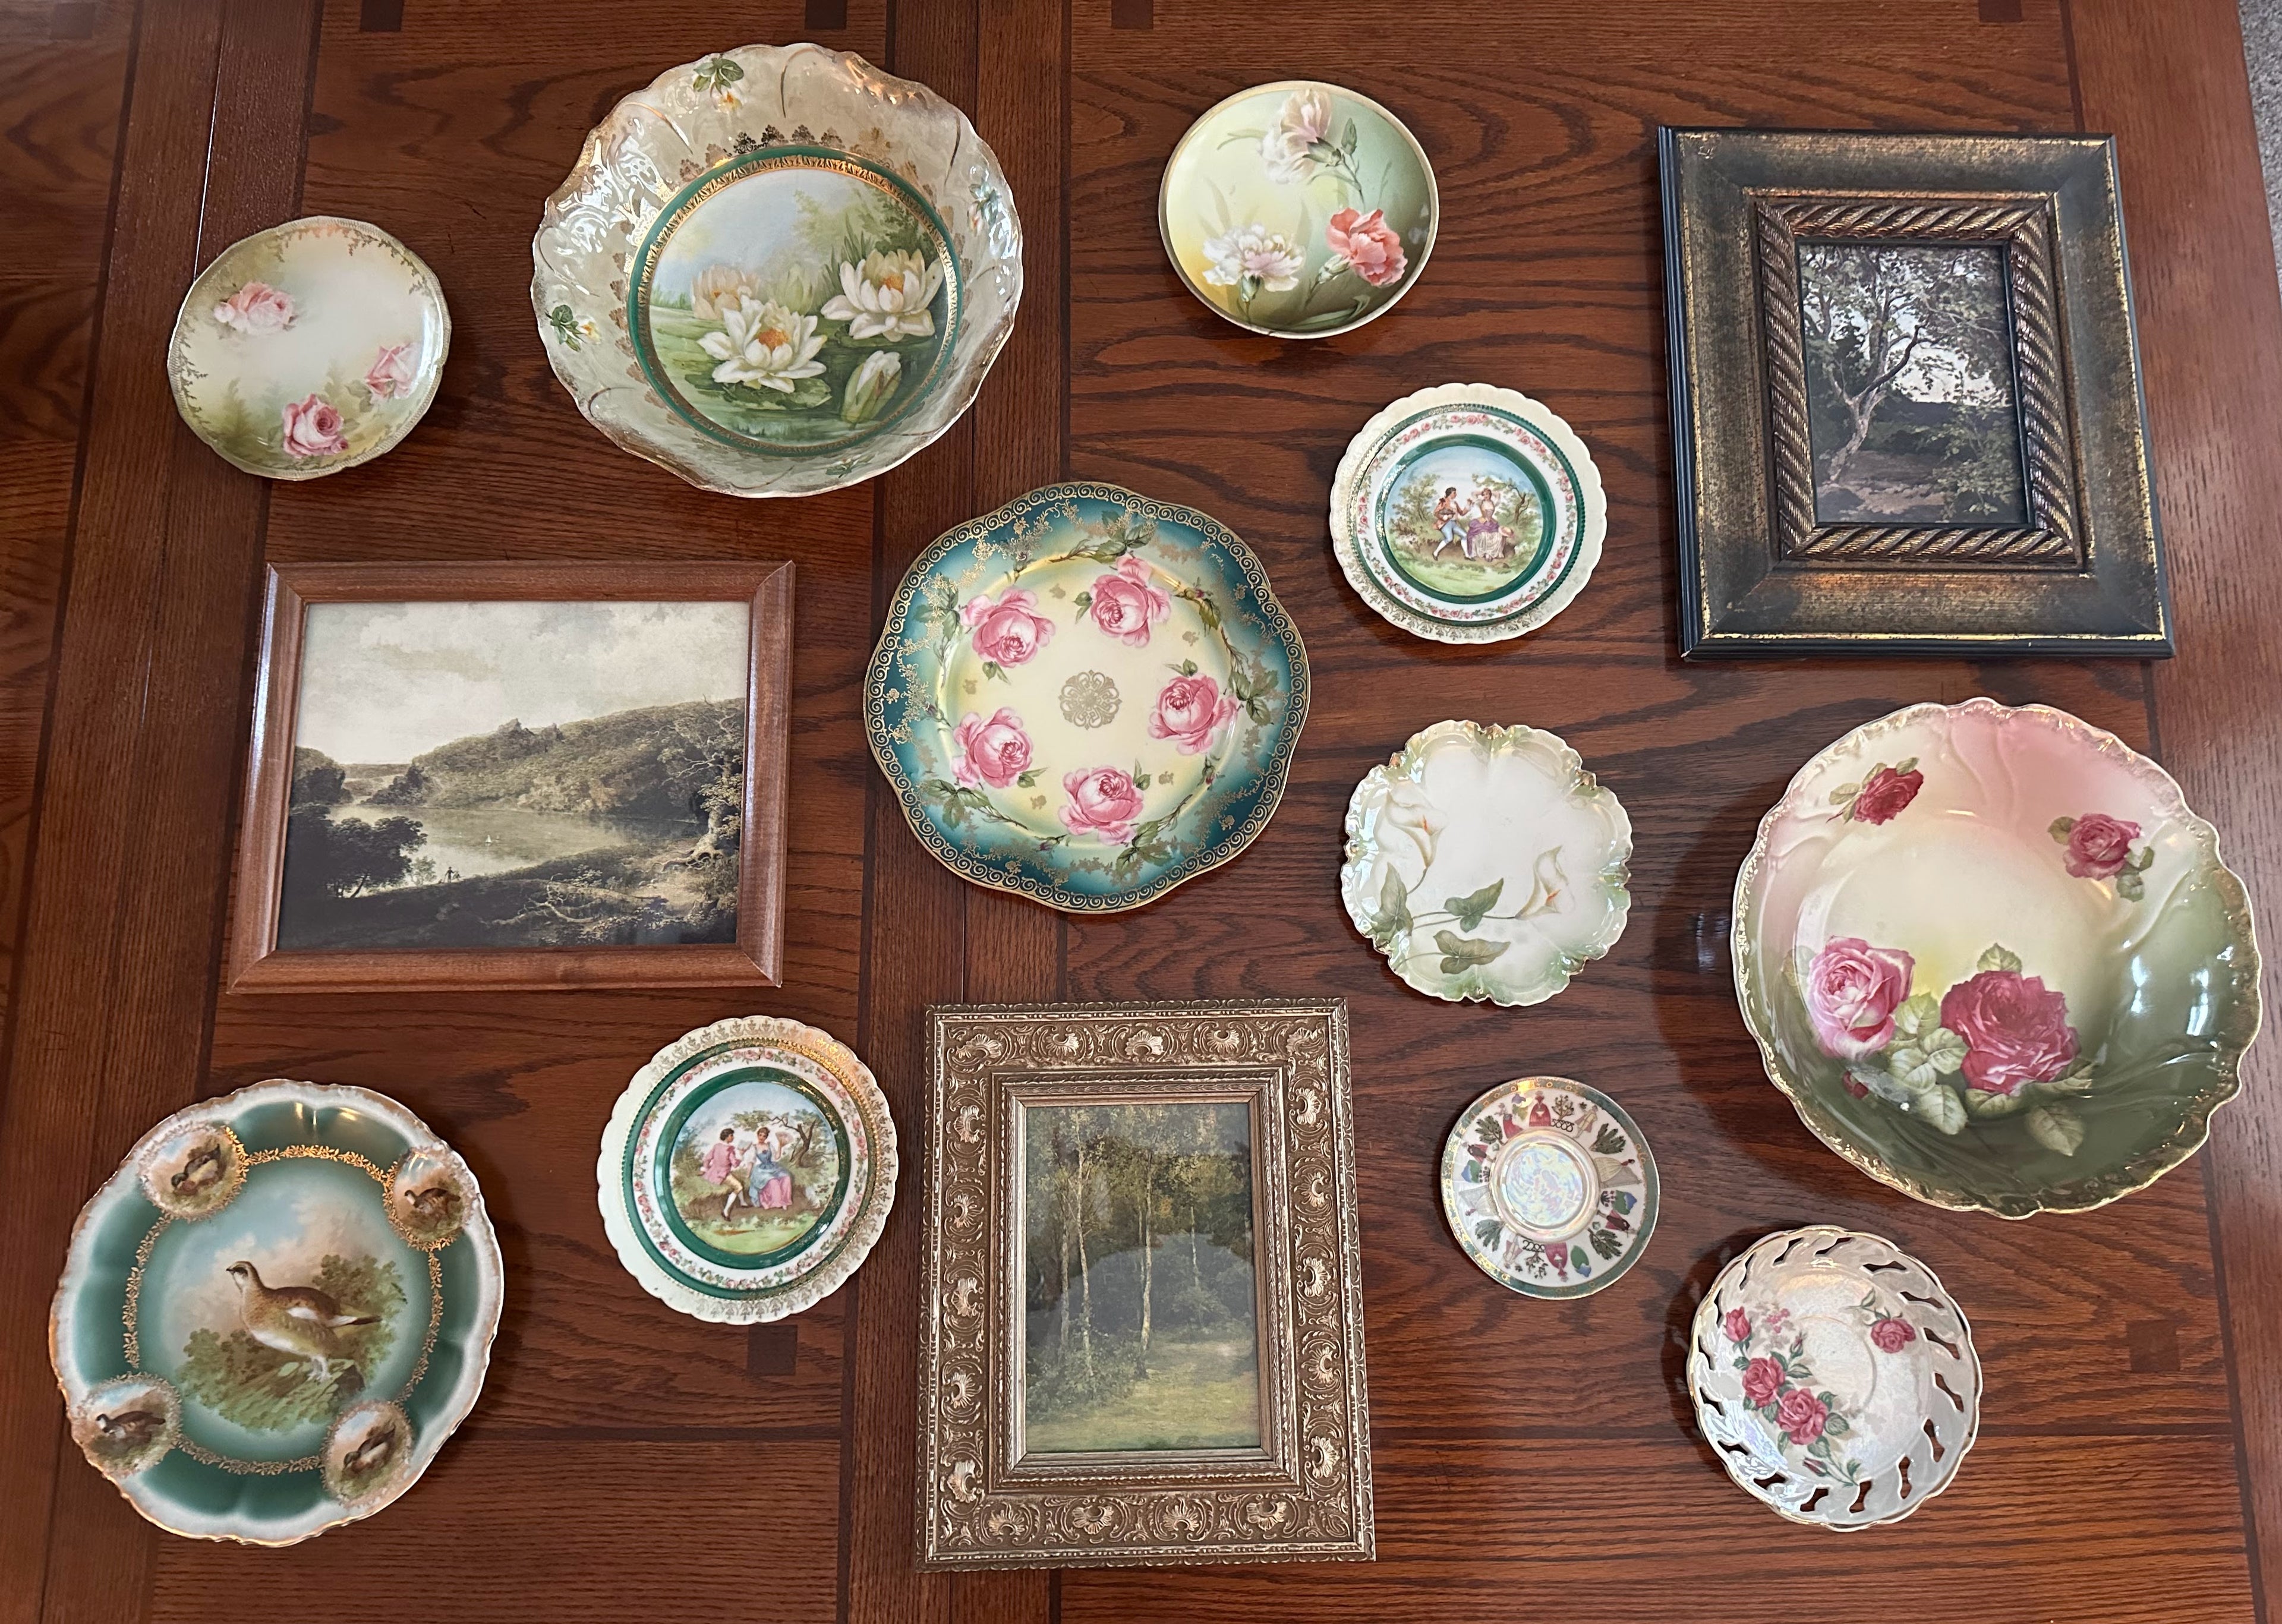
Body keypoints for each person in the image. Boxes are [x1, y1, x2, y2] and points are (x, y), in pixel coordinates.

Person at [699, 1126, 746, 1221]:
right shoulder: (729, 1149)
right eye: (731, 1136)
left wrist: (705, 1169)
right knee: (739, 1187)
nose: (733, 1137)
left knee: (738, 1182)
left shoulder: (717, 1146)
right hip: (724, 1174)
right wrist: (741, 1156)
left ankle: (743, 1202)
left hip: (714, 1172)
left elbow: (708, 1158)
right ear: (727, 1137)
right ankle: (726, 1211)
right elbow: (735, 1164)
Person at [745, 1127, 795, 1212]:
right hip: (761, 1170)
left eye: (764, 1136)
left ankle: (785, 1201)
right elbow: (751, 1162)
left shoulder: (769, 1145)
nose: (762, 1137)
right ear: (757, 1135)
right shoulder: (754, 1147)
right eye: (760, 1135)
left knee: (786, 1177)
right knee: (773, 1181)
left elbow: (776, 1157)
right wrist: (748, 1174)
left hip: (773, 1167)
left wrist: (780, 1146)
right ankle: (775, 1203)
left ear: (766, 1138)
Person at [1432, 485, 1467, 556]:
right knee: (1449, 539)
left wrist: (1468, 506)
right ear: (1450, 494)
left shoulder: (1455, 503)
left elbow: (1462, 513)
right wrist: (1444, 517)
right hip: (1446, 523)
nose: (1456, 494)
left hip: (1454, 524)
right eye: (1454, 493)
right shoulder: (1444, 501)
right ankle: (1436, 553)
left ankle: (1467, 555)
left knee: (1465, 535)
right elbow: (1436, 512)